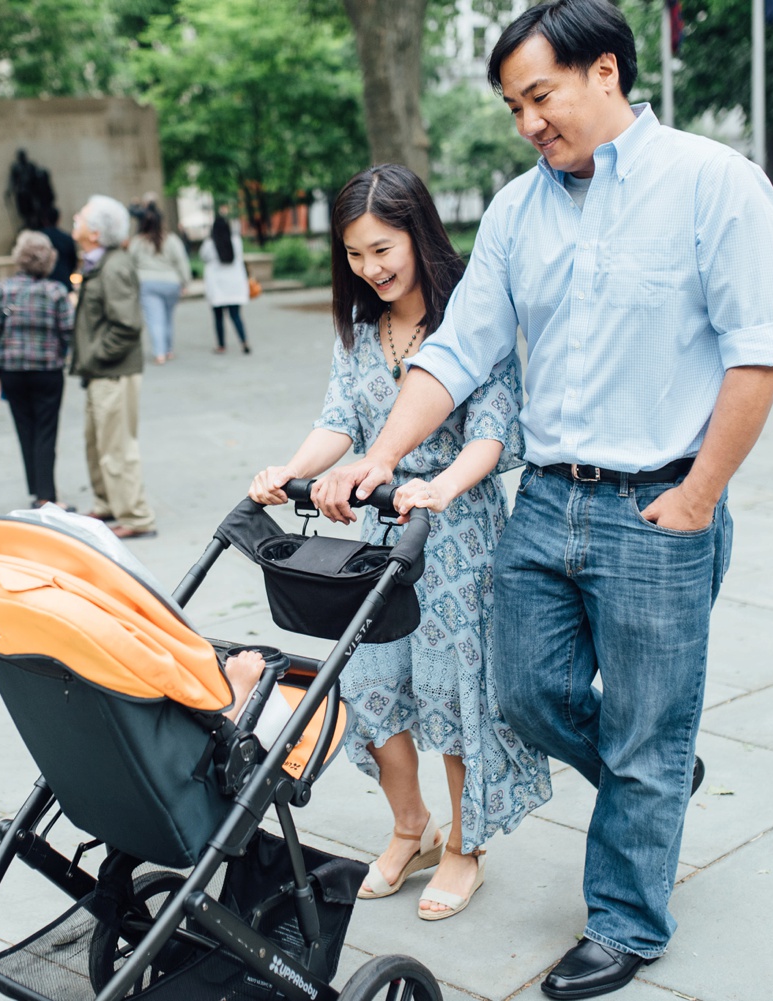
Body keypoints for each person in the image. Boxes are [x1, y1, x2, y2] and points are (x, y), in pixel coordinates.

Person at [315, 2, 773, 996]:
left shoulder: (714, 185)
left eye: (540, 95)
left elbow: (760, 350)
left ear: (608, 73)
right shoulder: (516, 209)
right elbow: (457, 349)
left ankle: (627, 917)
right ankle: (653, 779)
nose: (529, 121)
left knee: (646, 728)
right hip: (544, 502)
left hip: (662, 503)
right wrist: (381, 454)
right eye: (513, 106)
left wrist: (703, 494)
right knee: (526, 693)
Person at [248, 164, 552, 922]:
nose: (371, 268)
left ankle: (463, 845)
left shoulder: (471, 317)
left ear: (418, 232)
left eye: (382, 248)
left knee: (453, 693)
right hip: (381, 532)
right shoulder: (359, 328)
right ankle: (411, 825)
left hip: (457, 531)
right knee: (375, 686)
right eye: (354, 254)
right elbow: (339, 420)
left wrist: (442, 485)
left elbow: (493, 431)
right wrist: (292, 468)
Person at [70, 195, 158, 540]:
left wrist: (93, 356)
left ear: (94, 232)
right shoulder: (99, 261)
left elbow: (126, 326)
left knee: (117, 447)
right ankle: (107, 503)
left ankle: (135, 517)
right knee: (97, 444)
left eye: (81, 216)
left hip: (113, 371)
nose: (74, 218)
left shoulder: (114, 265)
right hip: (102, 371)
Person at [0, 231, 74, 509]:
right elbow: (68, 332)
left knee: (25, 428)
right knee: (46, 430)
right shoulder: (56, 292)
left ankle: (36, 487)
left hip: (12, 370)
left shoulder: (2, 290)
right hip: (47, 370)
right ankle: (46, 495)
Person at [128, 206, 192, 365]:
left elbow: (129, 264)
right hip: (171, 283)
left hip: (147, 284)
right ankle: (168, 350)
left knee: (155, 319)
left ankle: (159, 353)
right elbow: (182, 262)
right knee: (168, 318)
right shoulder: (172, 240)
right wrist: (185, 282)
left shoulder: (137, 242)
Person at [200, 215, 251, 354]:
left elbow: (203, 257)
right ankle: (244, 342)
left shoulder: (209, 244)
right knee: (236, 316)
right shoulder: (236, 241)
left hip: (217, 286)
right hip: (234, 285)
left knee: (218, 318)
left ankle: (221, 345)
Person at [39, 207, 78, 287]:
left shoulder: (37, 238)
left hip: (44, 283)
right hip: (64, 281)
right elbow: (73, 262)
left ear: (44, 220)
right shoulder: (67, 238)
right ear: (58, 219)